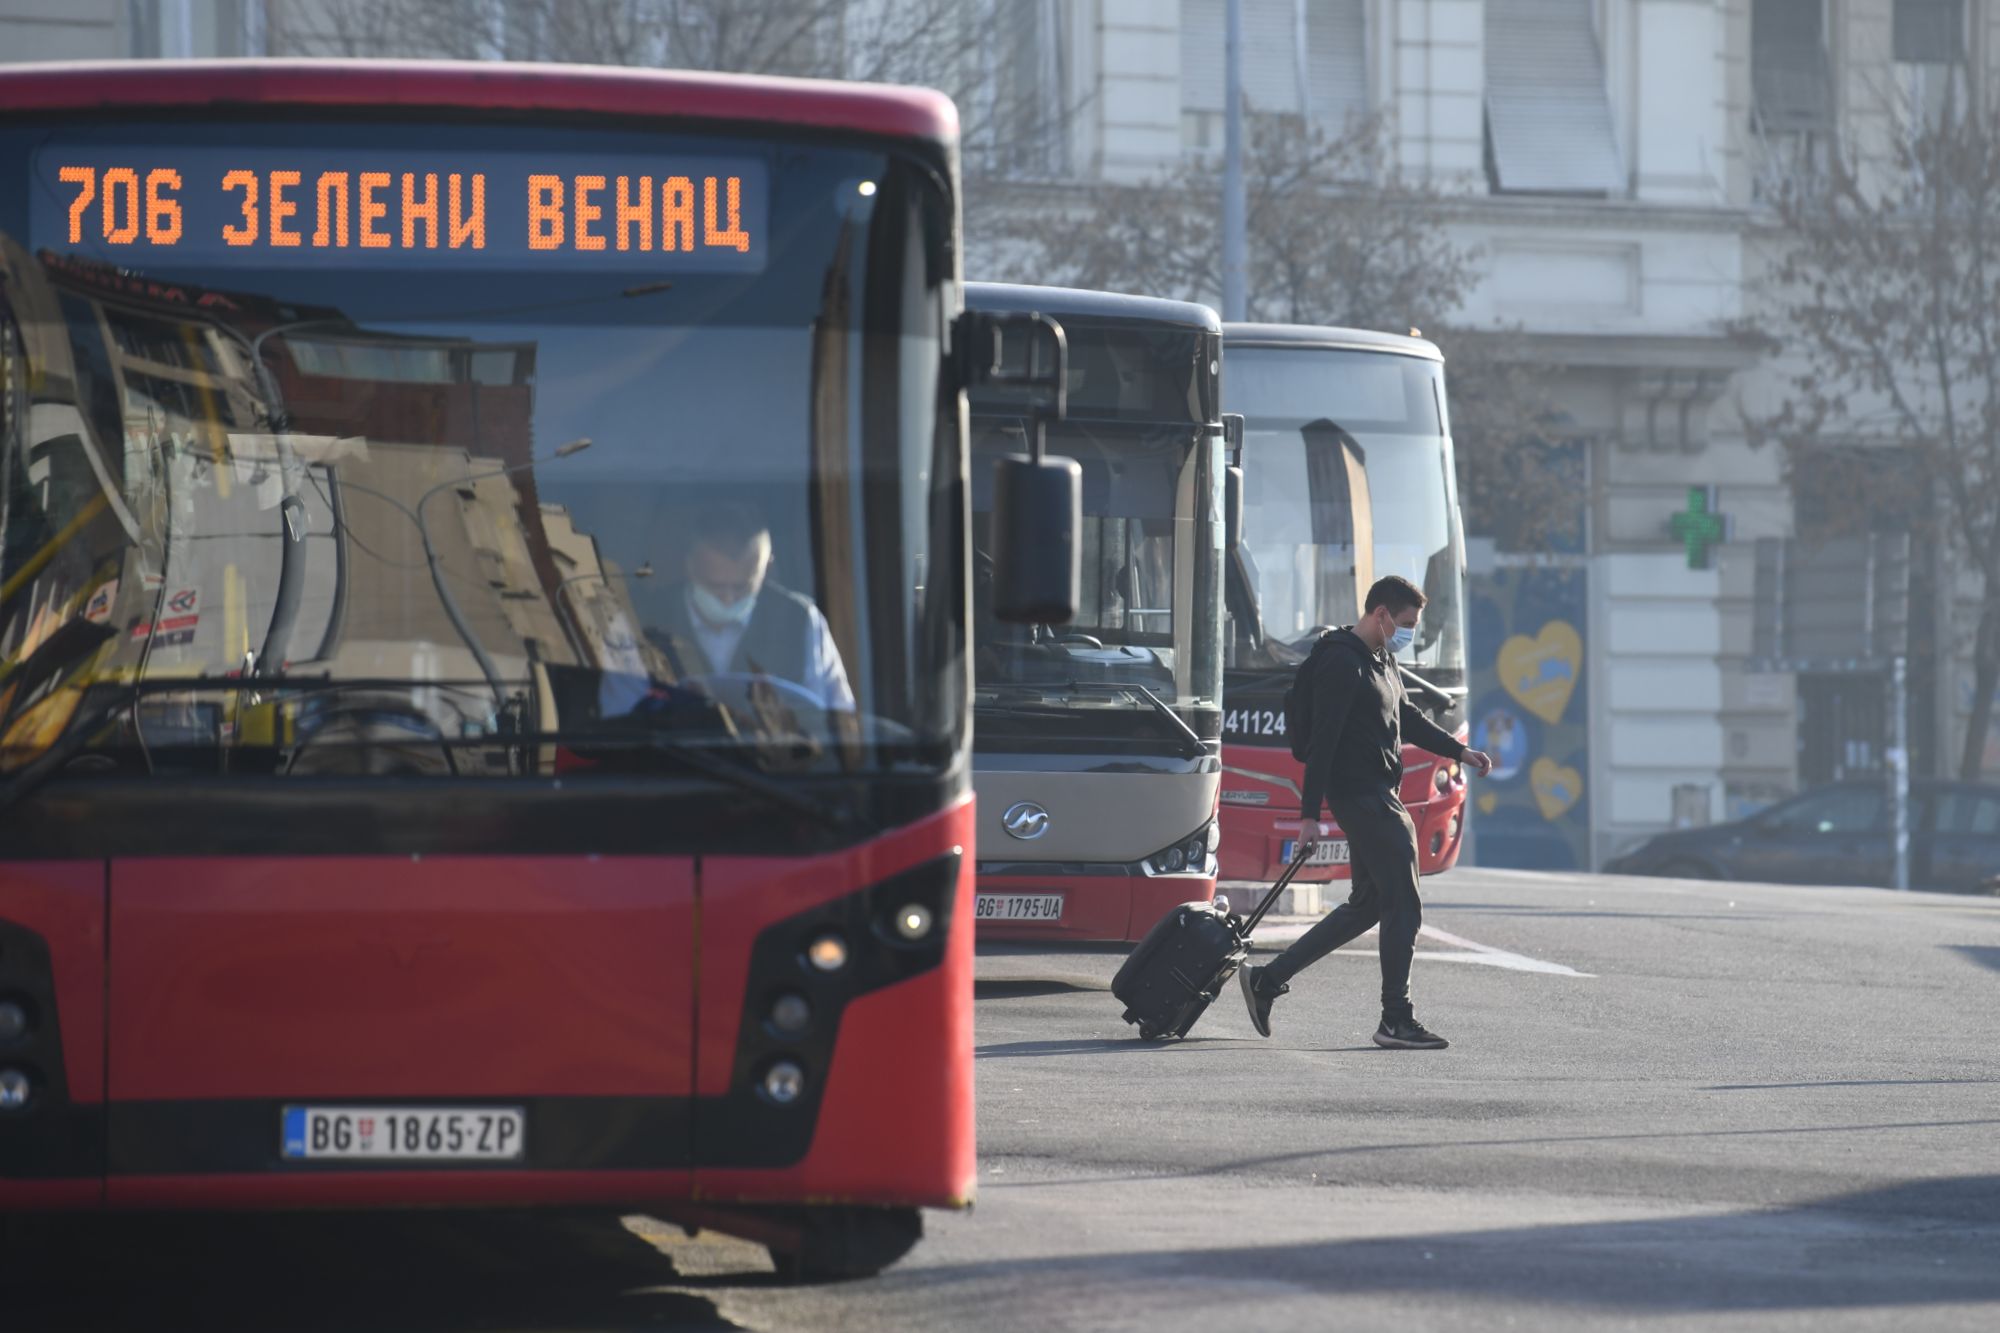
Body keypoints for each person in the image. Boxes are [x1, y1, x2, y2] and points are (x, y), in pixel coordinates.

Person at [1238, 574, 1493, 1050]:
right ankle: (1395, 1019)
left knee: (1370, 905)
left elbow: (1409, 718)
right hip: (1363, 798)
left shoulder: (1381, 659)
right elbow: (1323, 742)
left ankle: (1266, 982)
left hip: (1378, 794)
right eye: (1405, 623)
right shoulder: (1341, 662)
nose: (1408, 632)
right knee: (1405, 903)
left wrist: (1461, 754)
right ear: (1380, 616)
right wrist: (1309, 816)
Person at [647, 505, 855, 713]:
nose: (728, 599)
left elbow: (835, 715)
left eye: (742, 587)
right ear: (690, 566)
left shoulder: (800, 620)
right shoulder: (646, 615)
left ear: (766, 568)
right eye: (715, 587)